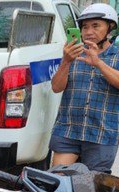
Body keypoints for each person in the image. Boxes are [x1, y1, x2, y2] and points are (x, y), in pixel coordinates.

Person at [50, 3, 119, 173]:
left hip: (102, 133)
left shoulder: (116, 55)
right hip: (68, 129)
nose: (88, 31)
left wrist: (98, 63)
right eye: (85, 27)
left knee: (93, 189)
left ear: (110, 29)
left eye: (96, 26)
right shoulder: (73, 54)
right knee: (57, 182)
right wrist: (66, 61)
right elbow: (56, 87)